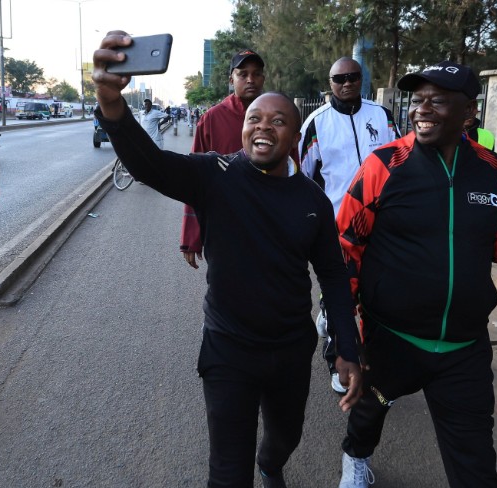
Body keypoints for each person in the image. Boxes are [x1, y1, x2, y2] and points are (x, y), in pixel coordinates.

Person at [93, 32, 363, 488]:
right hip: (228, 347)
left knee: (285, 439)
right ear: (242, 126)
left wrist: (348, 352)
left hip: (290, 350)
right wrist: (109, 101)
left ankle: (271, 464)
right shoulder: (215, 175)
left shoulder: (313, 200)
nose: (263, 126)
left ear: (296, 136)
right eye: (254, 118)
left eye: (278, 121)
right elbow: (149, 164)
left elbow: (334, 277)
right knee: (226, 470)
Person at [334, 61, 497, 488]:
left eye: (437, 100)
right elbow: (346, 248)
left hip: (464, 347)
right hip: (392, 338)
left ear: (468, 112)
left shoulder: (492, 169)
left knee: (476, 466)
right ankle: (356, 457)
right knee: (369, 411)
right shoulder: (384, 165)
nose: (421, 109)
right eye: (417, 99)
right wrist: (344, 336)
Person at [299, 56, 400, 394]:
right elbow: (302, 177)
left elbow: (400, 163)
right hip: (337, 228)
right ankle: (336, 359)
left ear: (361, 79)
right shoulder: (317, 123)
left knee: (377, 293)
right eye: (339, 78)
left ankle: (374, 358)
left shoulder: (381, 117)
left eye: (353, 76)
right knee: (340, 292)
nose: (346, 83)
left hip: (381, 226)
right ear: (330, 83)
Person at [179, 49, 266, 269]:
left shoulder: (275, 116)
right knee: (226, 295)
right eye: (243, 74)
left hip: (268, 223)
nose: (250, 79)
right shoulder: (211, 119)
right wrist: (191, 235)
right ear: (231, 79)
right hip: (223, 227)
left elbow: (292, 171)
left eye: (256, 74)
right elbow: (194, 179)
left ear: (263, 78)